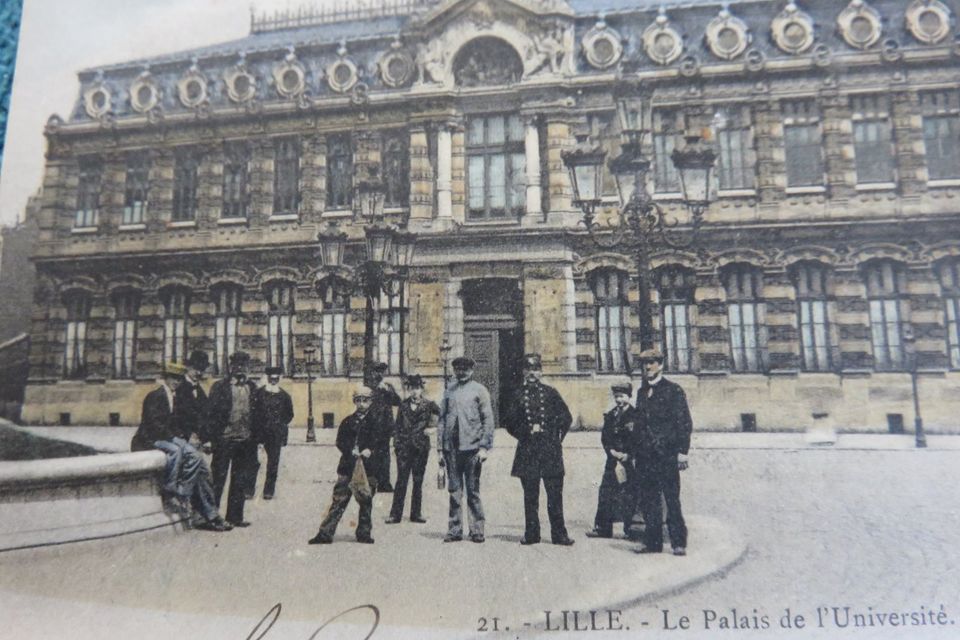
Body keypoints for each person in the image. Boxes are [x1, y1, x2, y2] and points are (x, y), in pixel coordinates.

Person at [131, 361, 231, 532]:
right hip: (157, 440)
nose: (176, 382)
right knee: (198, 466)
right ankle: (202, 511)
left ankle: (201, 509)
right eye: (173, 378)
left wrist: (194, 438)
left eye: (178, 378)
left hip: (181, 439)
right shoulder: (162, 395)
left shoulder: (181, 393)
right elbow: (155, 424)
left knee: (202, 469)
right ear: (166, 378)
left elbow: (182, 421)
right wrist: (179, 439)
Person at [503, 353, 575, 546]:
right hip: (528, 451)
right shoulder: (517, 394)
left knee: (554, 496)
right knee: (530, 497)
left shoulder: (551, 393)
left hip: (550, 451)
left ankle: (559, 535)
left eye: (536, 369)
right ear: (524, 372)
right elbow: (509, 421)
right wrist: (525, 433)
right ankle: (532, 534)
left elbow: (566, 417)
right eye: (528, 369)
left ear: (541, 371)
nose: (532, 373)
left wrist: (556, 436)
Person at [308, 385, 389, 544]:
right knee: (339, 500)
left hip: (368, 469)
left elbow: (381, 443)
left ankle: (364, 533)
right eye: (358, 400)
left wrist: (370, 450)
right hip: (347, 467)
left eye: (365, 400)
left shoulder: (376, 423)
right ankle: (325, 534)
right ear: (354, 402)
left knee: (366, 500)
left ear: (371, 402)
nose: (361, 404)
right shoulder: (347, 421)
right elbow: (340, 442)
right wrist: (349, 450)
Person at [632, 348, 693, 556]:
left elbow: (684, 422)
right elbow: (639, 425)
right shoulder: (641, 393)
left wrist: (683, 451)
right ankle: (652, 542)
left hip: (666, 455)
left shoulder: (673, 390)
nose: (647, 367)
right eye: (644, 363)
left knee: (671, 499)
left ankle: (678, 542)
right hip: (645, 457)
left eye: (652, 362)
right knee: (649, 500)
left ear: (661, 365)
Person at [437, 356, 494, 543]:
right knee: (454, 491)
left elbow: (488, 420)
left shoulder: (480, 390)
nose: (461, 372)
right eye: (458, 369)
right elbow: (442, 420)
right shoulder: (448, 391)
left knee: (473, 491)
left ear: (471, 370)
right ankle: (454, 530)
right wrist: (440, 448)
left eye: (465, 369)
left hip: (472, 449)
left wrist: (484, 447)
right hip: (451, 449)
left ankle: (477, 530)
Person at [206, 351, 259, 528]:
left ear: (248, 368)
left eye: (243, 366)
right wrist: (210, 438)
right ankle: (211, 516)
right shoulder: (219, 387)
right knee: (217, 478)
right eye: (236, 366)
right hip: (224, 440)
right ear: (231, 368)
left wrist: (255, 439)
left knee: (240, 480)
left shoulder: (252, 387)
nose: (240, 369)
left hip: (244, 441)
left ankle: (235, 516)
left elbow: (257, 414)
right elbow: (211, 415)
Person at [586, 382, 639, 539]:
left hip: (629, 462)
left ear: (629, 397)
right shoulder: (610, 415)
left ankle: (631, 529)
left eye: (622, 396)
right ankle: (603, 528)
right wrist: (611, 452)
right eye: (616, 397)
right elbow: (605, 437)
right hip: (613, 461)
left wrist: (628, 455)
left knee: (629, 495)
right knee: (606, 493)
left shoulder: (636, 416)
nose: (619, 400)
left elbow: (638, 439)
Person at [386, 374, 439, 524]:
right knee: (401, 481)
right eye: (412, 388)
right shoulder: (403, 405)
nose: (415, 391)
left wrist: (432, 428)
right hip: (404, 448)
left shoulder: (429, 405)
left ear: (422, 389)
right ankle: (395, 515)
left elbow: (443, 416)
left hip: (421, 448)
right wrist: (397, 444)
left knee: (418, 481)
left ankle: (416, 514)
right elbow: (397, 426)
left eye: (417, 388)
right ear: (409, 389)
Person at [253, 366, 294, 500]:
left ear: (279, 379)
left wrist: (279, 426)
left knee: (273, 463)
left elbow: (289, 415)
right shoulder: (258, 393)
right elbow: (252, 411)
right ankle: (249, 489)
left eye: (276, 378)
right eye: (271, 378)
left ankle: (268, 491)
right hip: (258, 432)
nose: (274, 381)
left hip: (275, 434)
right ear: (267, 378)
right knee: (254, 461)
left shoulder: (284, 396)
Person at [364, 361, 400, 493]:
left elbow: (398, 402)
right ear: (372, 373)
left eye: (381, 372)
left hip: (385, 427)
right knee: (371, 454)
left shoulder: (388, 387)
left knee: (385, 455)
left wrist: (388, 391)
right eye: (377, 371)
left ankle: (384, 483)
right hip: (371, 427)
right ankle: (372, 482)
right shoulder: (368, 388)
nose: (379, 374)